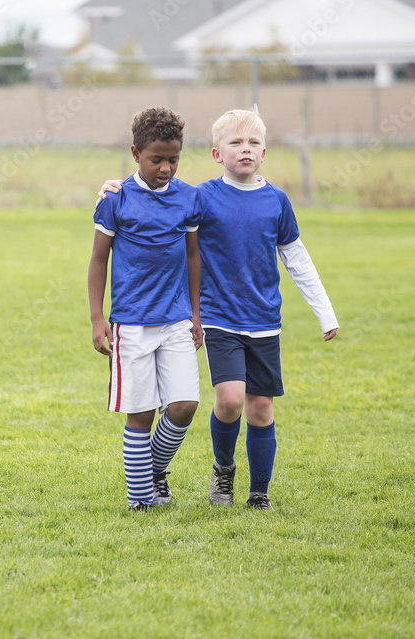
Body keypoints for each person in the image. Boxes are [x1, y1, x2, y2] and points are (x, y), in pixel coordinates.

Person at [98, 108, 338, 511]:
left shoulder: (277, 201)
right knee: (228, 400)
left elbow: (297, 259)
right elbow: (154, 196)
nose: (246, 150)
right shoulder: (201, 197)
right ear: (216, 154)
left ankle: (258, 493)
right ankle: (222, 471)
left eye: (254, 143)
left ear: (265, 152)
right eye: (236, 143)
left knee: (260, 407)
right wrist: (114, 186)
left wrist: (325, 313)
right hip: (217, 318)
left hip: (264, 322)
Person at [88, 107, 204, 512]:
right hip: (131, 324)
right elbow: (99, 260)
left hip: (175, 319)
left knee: (185, 404)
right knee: (140, 414)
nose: (167, 167)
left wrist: (195, 313)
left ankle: (151, 470)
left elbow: (193, 258)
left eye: (174, 158)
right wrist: (97, 317)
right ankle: (140, 501)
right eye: (157, 159)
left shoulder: (189, 198)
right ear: (136, 153)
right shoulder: (116, 199)